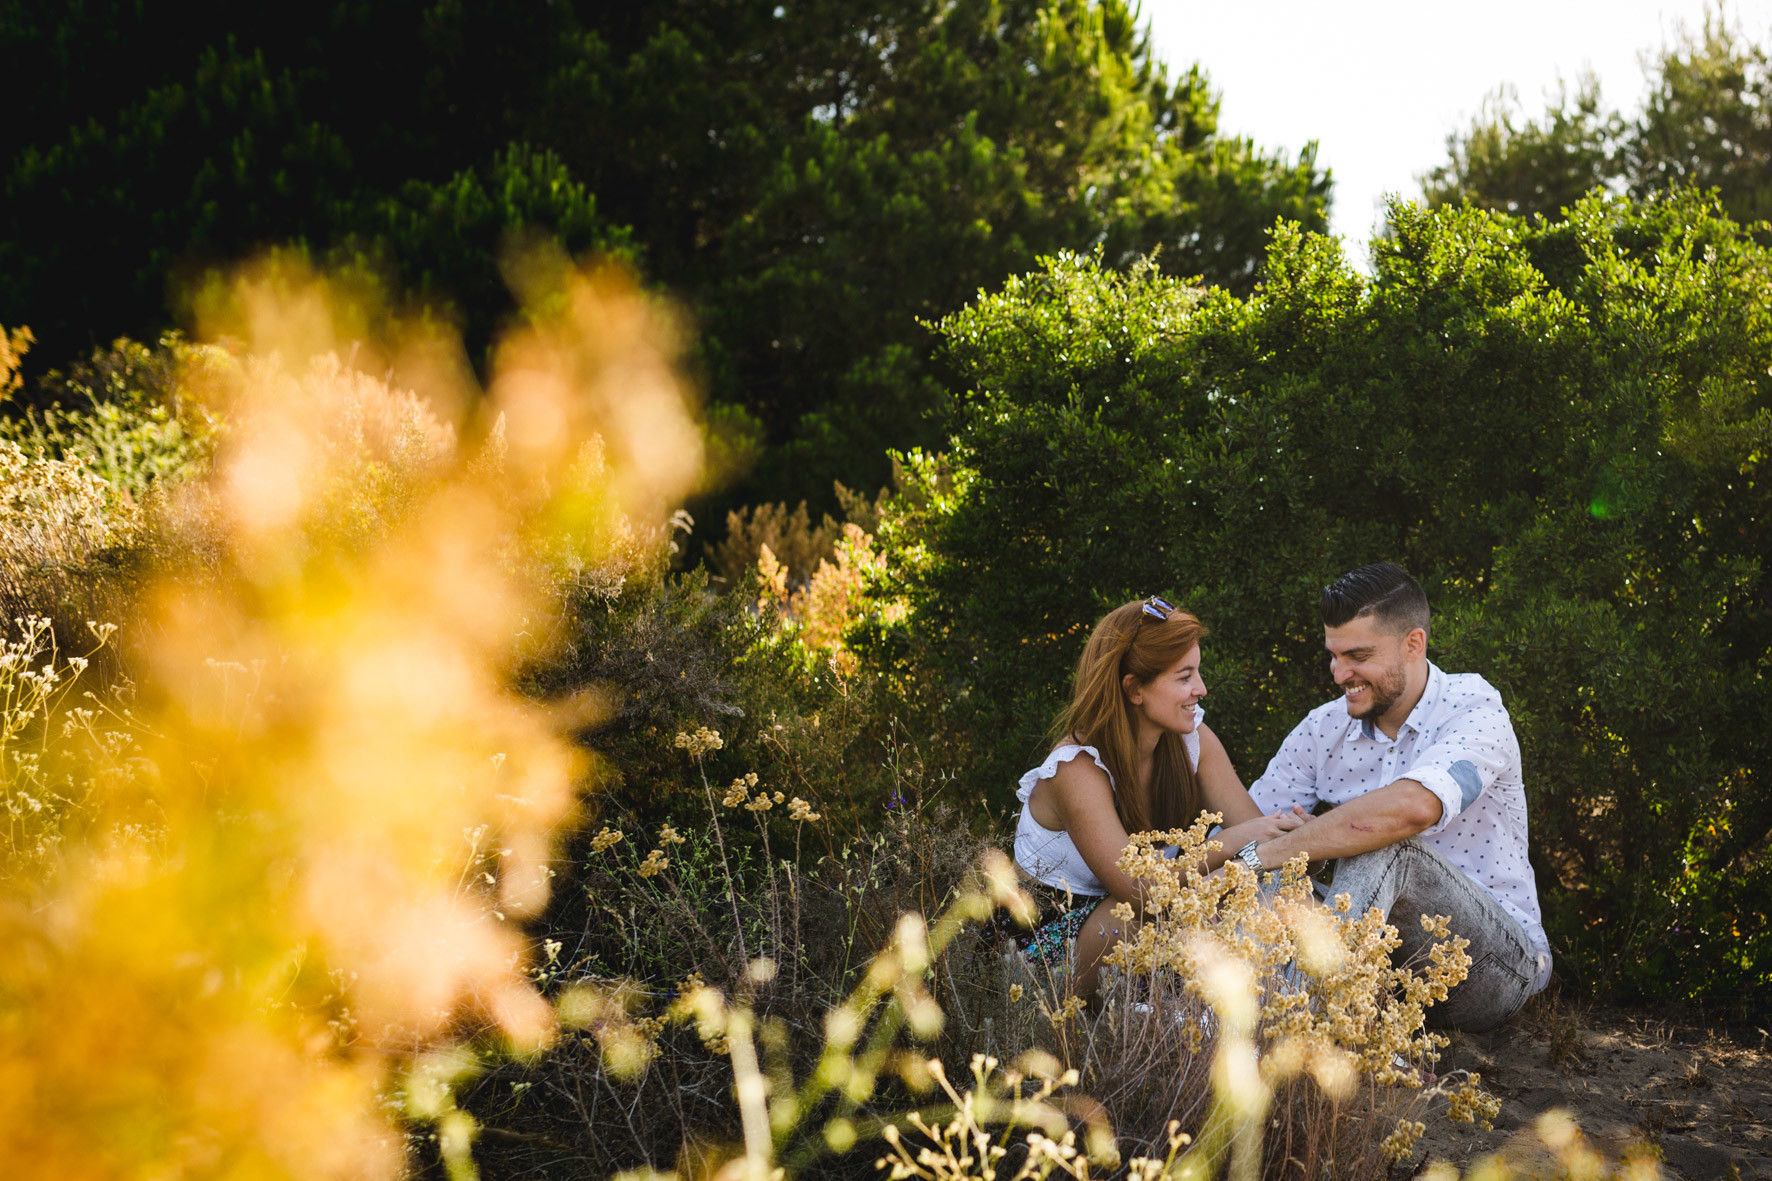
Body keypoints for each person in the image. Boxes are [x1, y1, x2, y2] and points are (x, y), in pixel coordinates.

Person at [1244, 562, 1551, 1030]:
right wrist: (1264, 860)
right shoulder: (1324, 728)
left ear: (1414, 644)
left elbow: (1412, 809)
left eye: (1358, 656)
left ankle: (1296, 1030)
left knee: (1385, 845)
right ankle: (1236, 1019)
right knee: (1265, 879)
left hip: (1495, 966)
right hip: (1384, 971)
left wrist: (1274, 851)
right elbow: (1253, 822)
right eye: (1333, 655)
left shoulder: (1475, 707)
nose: (1339, 673)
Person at [1011, 597, 1307, 998]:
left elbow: (1258, 831)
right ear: (1134, 689)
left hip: (1140, 921)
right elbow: (1140, 891)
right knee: (1191, 903)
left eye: (1197, 673)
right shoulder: (1076, 769)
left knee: (1243, 891)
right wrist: (1239, 846)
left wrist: (1288, 837)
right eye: (1184, 677)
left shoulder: (1190, 739)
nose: (1201, 689)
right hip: (1044, 949)